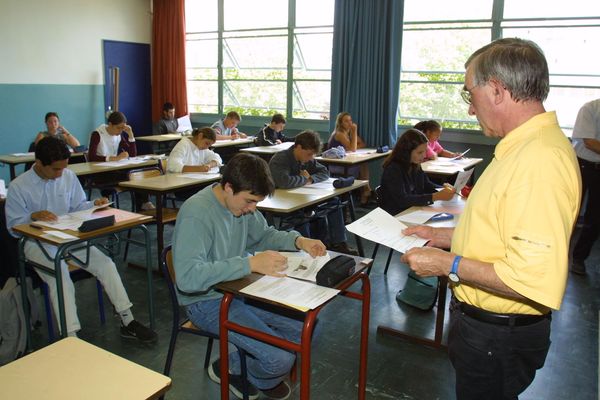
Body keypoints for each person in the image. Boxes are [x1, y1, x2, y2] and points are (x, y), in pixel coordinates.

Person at [400, 38, 581, 400]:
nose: (470, 110)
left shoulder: (538, 161)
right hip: (486, 330)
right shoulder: (524, 148)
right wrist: (446, 236)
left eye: (470, 95)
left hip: (498, 336)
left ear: (497, 90)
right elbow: (503, 230)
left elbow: (528, 280)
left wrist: (446, 263)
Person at [172, 152, 327, 399]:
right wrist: (250, 263)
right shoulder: (197, 213)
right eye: (249, 201)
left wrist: (299, 240)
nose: (252, 209)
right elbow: (189, 278)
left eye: (256, 203)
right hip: (205, 301)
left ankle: (238, 363)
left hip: (239, 290)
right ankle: (237, 368)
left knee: (311, 329)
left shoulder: (240, 205)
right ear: (228, 187)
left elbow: (264, 235)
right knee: (280, 359)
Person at [5, 136, 157, 342]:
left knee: (106, 263)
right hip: (36, 243)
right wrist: (31, 216)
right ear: (38, 163)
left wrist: (95, 203)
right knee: (60, 276)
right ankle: (70, 336)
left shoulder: (67, 175)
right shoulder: (18, 186)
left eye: (63, 168)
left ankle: (127, 320)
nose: (60, 174)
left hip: (68, 236)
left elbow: (77, 206)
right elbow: (13, 228)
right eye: (55, 170)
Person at [269, 130, 358, 256]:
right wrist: (304, 179)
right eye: (309, 154)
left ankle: (339, 243)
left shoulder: (307, 158)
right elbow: (284, 181)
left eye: (313, 155)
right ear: (298, 147)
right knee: (303, 216)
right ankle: (309, 250)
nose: (311, 158)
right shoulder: (280, 159)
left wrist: (311, 179)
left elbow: (324, 172)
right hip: (285, 203)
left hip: (302, 198)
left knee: (334, 202)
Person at [87, 111, 154, 210]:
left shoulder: (118, 135)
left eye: (122, 128)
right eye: (118, 128)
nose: (120, 131)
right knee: (132, 175)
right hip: (100, 173)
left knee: (137, 173)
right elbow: (91, 157)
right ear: (110, 124)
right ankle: (142, 204)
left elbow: (132, 154)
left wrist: (130, 135)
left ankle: (143, 203)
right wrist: (113, 158)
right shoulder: (97, 134)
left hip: (113, 169)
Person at [380, 128, 455, 216]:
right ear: (406, 151)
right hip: (396, 214)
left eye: (425, 151)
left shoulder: (414, 165)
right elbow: (402, 200)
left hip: (411, 210)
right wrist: (435, 197)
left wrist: (444, 189)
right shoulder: (393, 169)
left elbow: (427, 185)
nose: (424, 156)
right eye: (419, 152)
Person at [570, 99, 600, 275]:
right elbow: (589, 142)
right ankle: (557, 255)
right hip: (582, 166)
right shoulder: (590, 108)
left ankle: (579, 258)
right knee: (571, 212)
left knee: (595, 219)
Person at [327, 112, 372, 205]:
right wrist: (354, 132)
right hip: (337, 164)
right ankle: (365, 190)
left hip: (346, 162)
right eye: (346, 121)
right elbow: (353, 148)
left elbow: (362, 144)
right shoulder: (339, 134)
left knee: (364, 163)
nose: (350, 123)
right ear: (340, 123)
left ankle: (365, 191)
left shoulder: (348, 133)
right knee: (362, 164)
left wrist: (352, 144)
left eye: (350, 120)